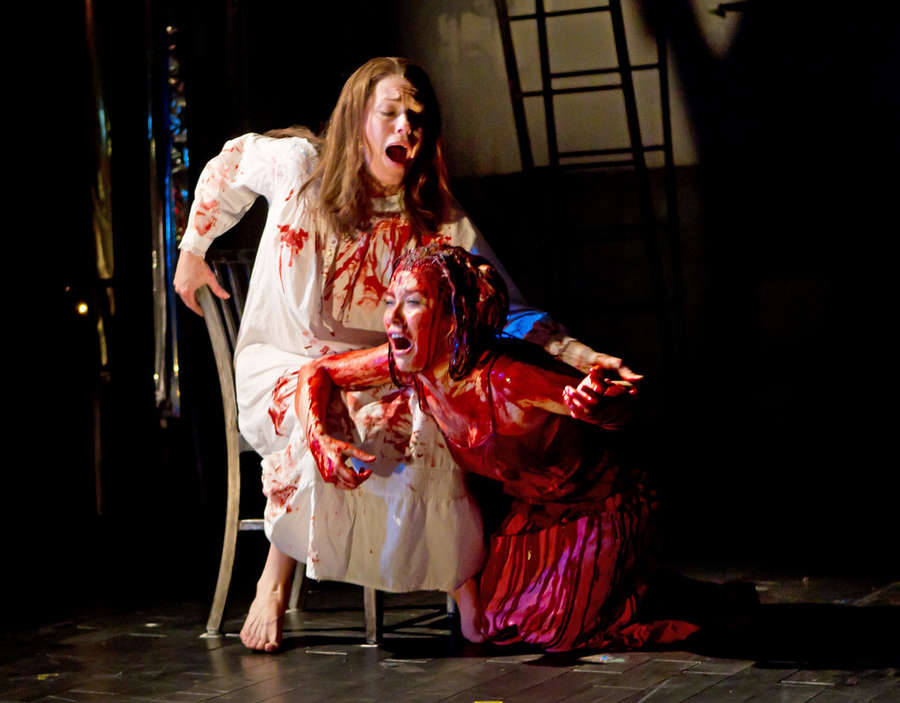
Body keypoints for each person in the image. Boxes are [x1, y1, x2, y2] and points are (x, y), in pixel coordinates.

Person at [173, 57, 641, 652]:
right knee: (335, 415)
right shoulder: (301, 168)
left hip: (380, 373)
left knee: (432, 418)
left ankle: (460, 580)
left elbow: (502, 304)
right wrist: (192, 250)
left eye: (416, 117)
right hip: (285, 363)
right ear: (358, 122)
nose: (405, 128)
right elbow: (231, 164)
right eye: (389, 113)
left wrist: (580, 356)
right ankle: (275, 575)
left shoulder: (430, 212)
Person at [298, 244, 703, 650]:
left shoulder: (507, 380)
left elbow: (620, 410)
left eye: (413, 303)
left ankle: (643, 576)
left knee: (555, 631)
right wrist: (319, 439)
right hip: (532, 514)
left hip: (603, 505)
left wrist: (597, 407)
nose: (393, 319)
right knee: (500, 624)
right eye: (390, 302)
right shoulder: (414, 367)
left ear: (453, 318)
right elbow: (317, 371)